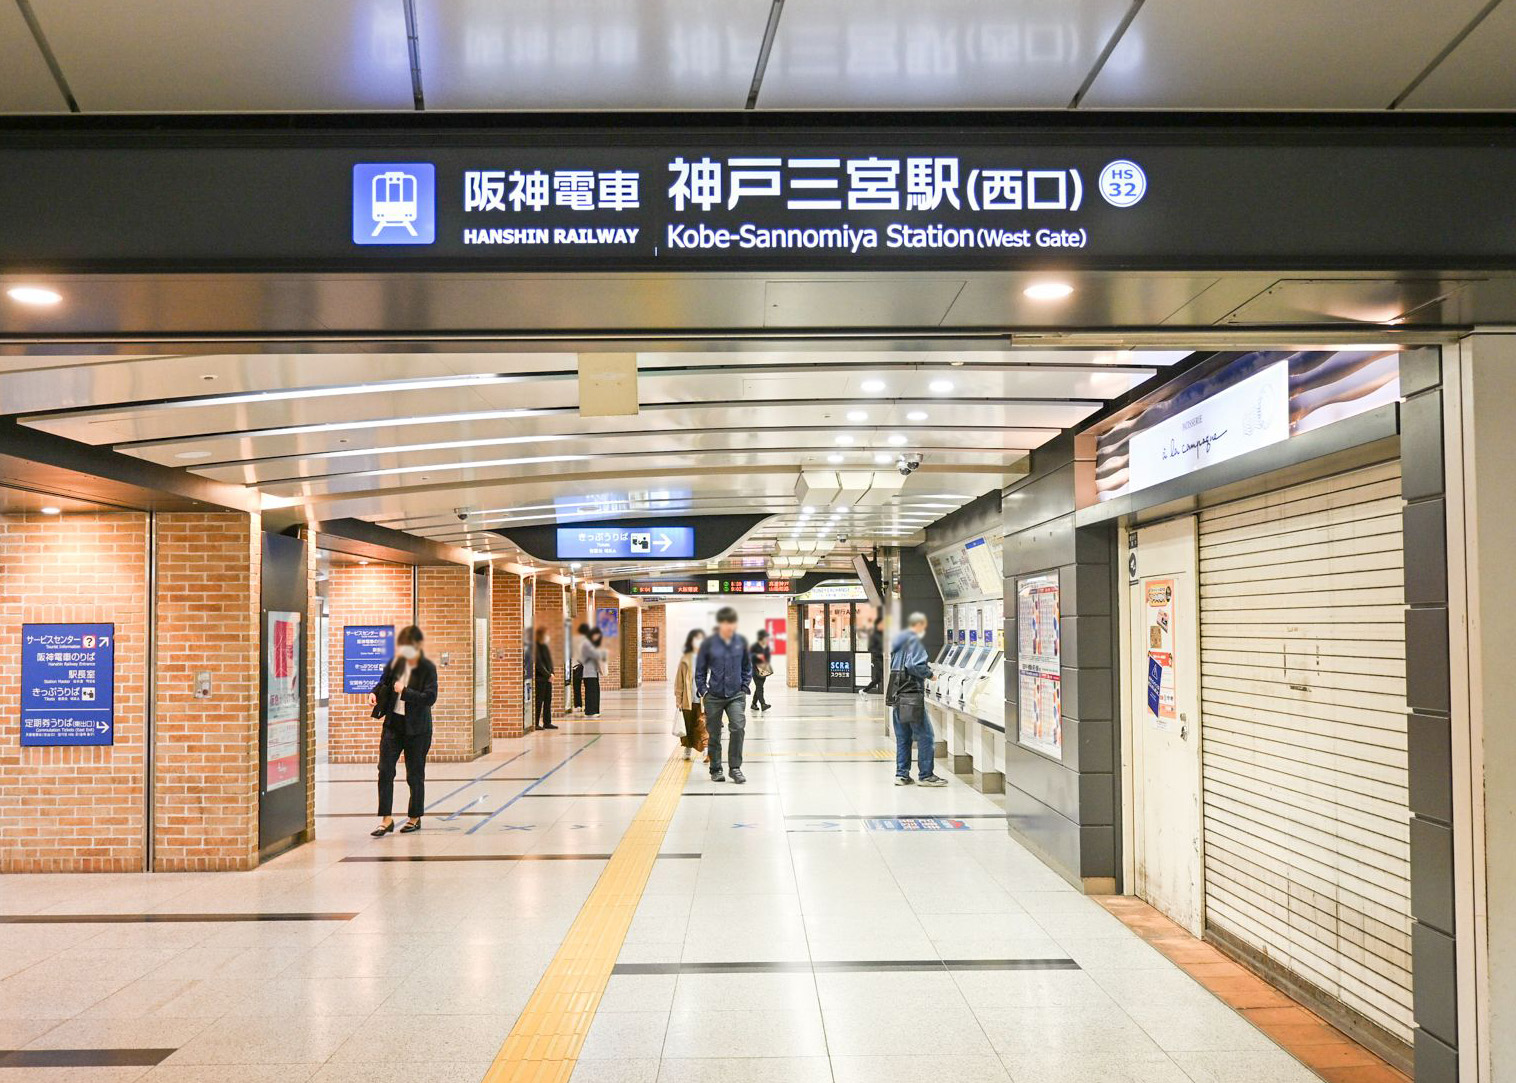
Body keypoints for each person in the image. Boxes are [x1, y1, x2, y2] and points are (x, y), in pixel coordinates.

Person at [370, 625, 439, 836]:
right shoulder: (395, 665)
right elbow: (383, 682)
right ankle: (386, 819)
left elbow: (430, 698)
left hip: (417, 730)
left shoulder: (427, 668)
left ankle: (414, 817)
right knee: (385, 771)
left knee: (415, 774)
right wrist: (373, 693)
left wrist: (406, 692)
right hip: (393, 726)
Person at [696, 606, 752, 784]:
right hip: (714, 696)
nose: (730, 626)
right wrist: (704, 691)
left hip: (736, 695)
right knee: (714, 733)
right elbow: (700, 670)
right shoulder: (709, 644)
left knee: (738, 728)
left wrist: (744, 687)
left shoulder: (741, 642)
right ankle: (716, 769)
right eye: (726, 623)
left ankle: (735, 768)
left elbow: (747, 667)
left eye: (732, 623)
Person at [891, 612, 947, 787]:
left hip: (897, 695)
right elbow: (914, 665)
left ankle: (901, 775)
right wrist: (930, 674)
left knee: (903, 736)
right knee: (926, 735)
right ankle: (925, 775)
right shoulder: (914, 642)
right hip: (911, 696)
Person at [674, 628, 705, 760]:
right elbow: (679, 681)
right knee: (687, 724)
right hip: (688, 698)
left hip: (703, 697)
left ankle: (706, 749)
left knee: (703, 724)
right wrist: (678, 699)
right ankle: (687, 748)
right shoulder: (685, 659)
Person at [581, 627, 609, 719]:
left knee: (595, 692)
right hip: (589, 673)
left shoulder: (591, 644)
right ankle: (590, 711)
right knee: (591, 693)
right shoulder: (587, 644)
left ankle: (595, 710)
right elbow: (595, 655)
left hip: (593, 672)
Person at [533, 626, 558, 730]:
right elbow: (538, 664)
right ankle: (536, 723)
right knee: (539, 701)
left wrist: (552, 673)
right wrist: (548, 675)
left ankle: (547, 722)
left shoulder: (545, 646)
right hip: (541, 679)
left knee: (548, 700)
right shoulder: (536, 647)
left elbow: (549, 662)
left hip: (548, 678)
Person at [750, 628, 774, 712]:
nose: (766, 639)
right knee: (760, 687)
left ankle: (753, 704)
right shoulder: (754, 646)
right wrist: (757, 656)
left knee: (759, 687)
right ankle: (763, 704)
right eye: (765, 637)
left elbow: (768, 658)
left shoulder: (766, 647)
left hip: (764, 670)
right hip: (756, 670)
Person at [570, 623, 590, 714]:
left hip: (576, 666)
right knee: (586, 686)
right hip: (583, 666)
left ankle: (578, 705)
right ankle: (584, 705)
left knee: (577, 687)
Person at [862, 624, 885, 694]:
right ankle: (864, 691)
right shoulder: (873, 636)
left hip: (884, 659)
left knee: (883, 677)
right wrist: (880, 652)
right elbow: (870, 648)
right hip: (877, 659)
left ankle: (864, 691)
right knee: (878, 678)